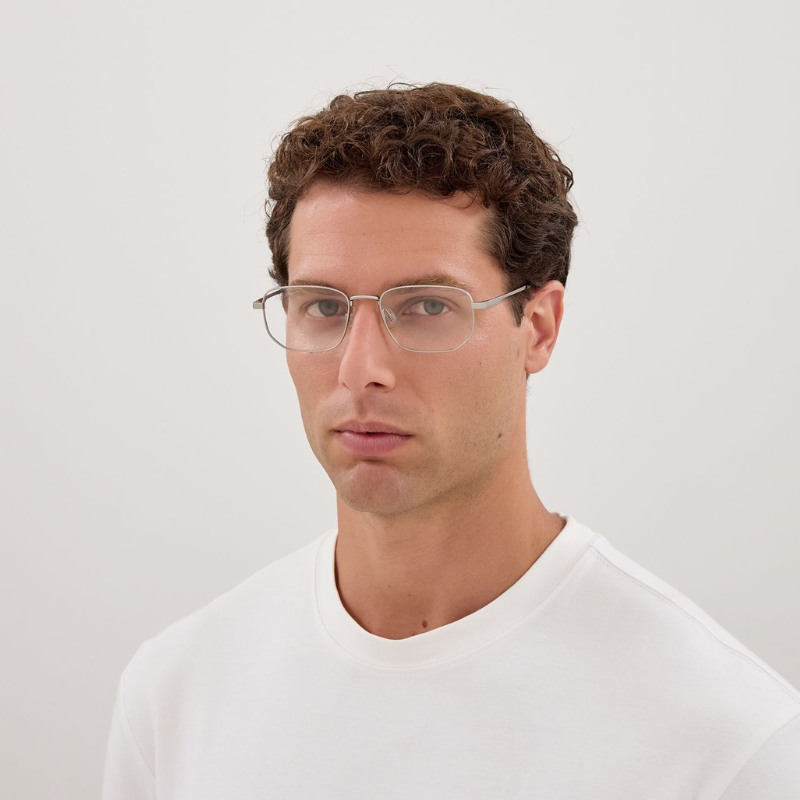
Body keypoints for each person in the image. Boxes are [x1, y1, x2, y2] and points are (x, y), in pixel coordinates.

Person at [101, 81, 800, 799]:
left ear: (538, 328)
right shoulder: (176, 697)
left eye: (428, 306)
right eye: (323, 307)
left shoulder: (726, 745)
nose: (359, 369)